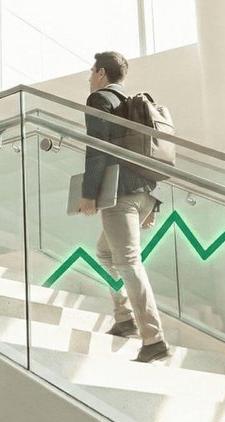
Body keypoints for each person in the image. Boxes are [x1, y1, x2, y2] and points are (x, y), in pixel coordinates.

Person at [76, 51, 170, 363]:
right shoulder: (132, 104)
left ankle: (153, 338)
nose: (89, 77)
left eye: (92, 71)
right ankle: (125, 317)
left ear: (101, 73)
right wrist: (151, 205)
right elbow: (147, 153)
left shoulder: (99, 99)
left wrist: (89, 192)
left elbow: (98, 148)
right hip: (142, 192)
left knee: (128, 261)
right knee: (105, 253)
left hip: (119, 194)